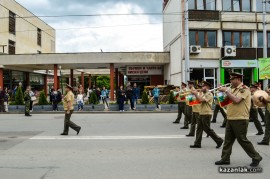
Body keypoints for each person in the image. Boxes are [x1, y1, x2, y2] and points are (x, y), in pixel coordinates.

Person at [215, 72, 262, 167]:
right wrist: (220, 92)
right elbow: (224, 102)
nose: (230, 81)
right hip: (231, 118)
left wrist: (227, 91)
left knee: (242, 140)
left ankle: (256, 157)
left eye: (232, 79)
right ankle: (225, 159)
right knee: (228, 140)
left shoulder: (244, 89)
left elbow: (236, 100)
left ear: (238, 79)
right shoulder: (232, 89)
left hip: (240, 118)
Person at [190, 81, 223, 148]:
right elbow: (197, 100)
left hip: (207, 113)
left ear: (207, 87)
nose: (202, 87)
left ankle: (219, 140)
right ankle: (197, 143)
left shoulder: (209, 94)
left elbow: (201, 100)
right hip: (201, 113)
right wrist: (193, 94)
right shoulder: (203, 94)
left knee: (207, 129)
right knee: (199, 129)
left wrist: (196, 94)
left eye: (203, 86)